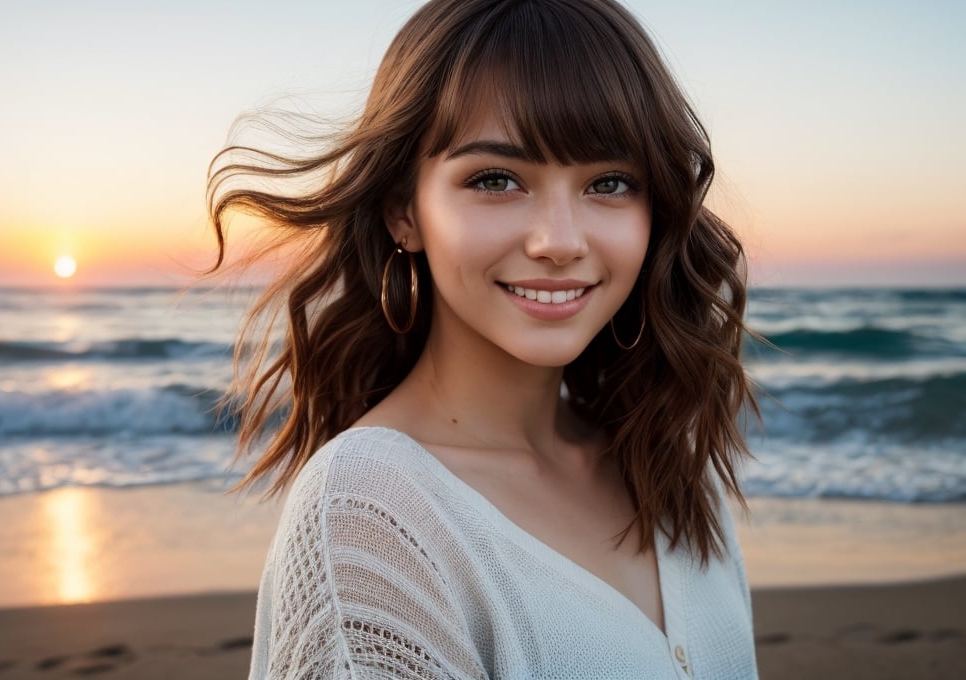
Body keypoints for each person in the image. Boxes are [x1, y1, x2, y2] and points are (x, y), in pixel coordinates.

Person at [208, 0, 759, 677]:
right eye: (496, 180)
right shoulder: (370, 516)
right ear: (403, 211)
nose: (559, 241)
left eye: (610, 182)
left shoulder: (671, 466)